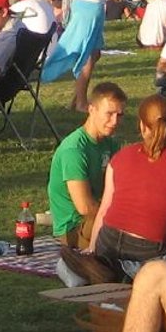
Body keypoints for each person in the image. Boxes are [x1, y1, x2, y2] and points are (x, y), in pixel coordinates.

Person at [86, 95, 166, 276]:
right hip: (149, 249)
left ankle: (106, 266)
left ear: (141, 124)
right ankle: (129, 272)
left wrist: (93, 251)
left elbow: (104, 210)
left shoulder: (120, 157)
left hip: (108, 240)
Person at [47, 84, 127, 286]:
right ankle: (73, 264)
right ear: (91, 109)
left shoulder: (111, 144)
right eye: (109, 114)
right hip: (76, 226)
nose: (115, 121)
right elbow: (85, 207)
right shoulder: (74, 150)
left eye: (120, 115)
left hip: (100, 215)